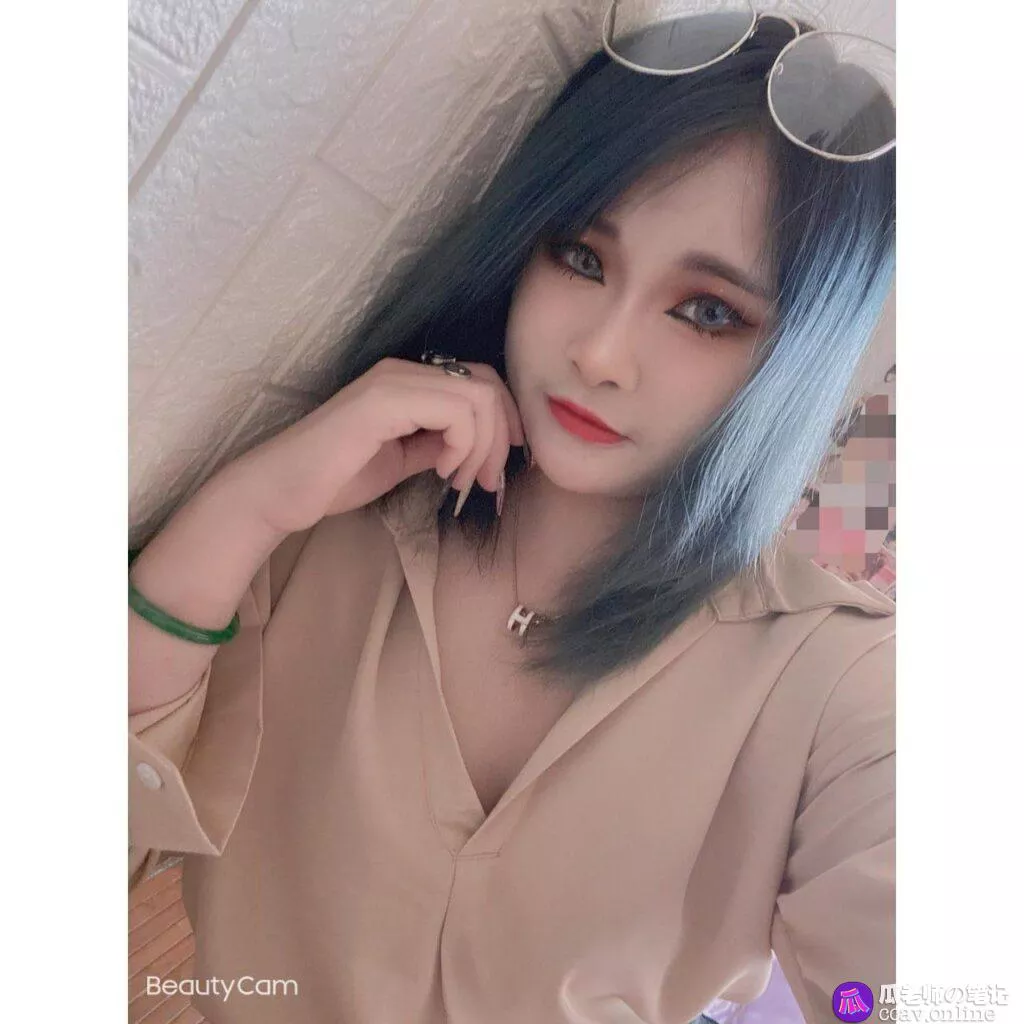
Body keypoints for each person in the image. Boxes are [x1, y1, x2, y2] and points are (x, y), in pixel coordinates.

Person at [128, 8, 896, 1024]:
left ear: (797, 358)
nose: (600, 354)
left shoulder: (835, 674)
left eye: (708, 311)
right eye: (581, 257)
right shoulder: (320, 523)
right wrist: (243, 507)